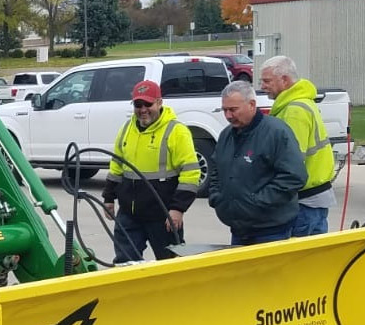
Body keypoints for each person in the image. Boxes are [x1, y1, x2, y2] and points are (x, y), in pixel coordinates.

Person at [103, 80, 201, 263]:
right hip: (129, 215)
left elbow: (191, 174)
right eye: (138, 105)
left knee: (170, 265)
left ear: (159, 102)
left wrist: (177, 209)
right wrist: (109, 198)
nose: (143, 109)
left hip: (163, 216)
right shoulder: (127, 129)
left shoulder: (176, 131)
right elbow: (117, 166)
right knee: (125, 264)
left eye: (148, 104)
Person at [208, 80, 308, 246]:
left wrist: (256, 201)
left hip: (271, 231)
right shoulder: (226, 135)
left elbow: (294, 176)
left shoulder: (276, 132)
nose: (228, 116)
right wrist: (217, 198)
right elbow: (217, 170)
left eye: (233, 110)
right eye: (224, 110)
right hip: (238, 229)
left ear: (252, 105)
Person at [260, 55, 336, 236]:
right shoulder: (302, 102)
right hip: (314, 197)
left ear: (285, 80)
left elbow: (291, 162)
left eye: (267, 81)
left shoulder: (294, 111)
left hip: (303, 201)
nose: (262, 86)